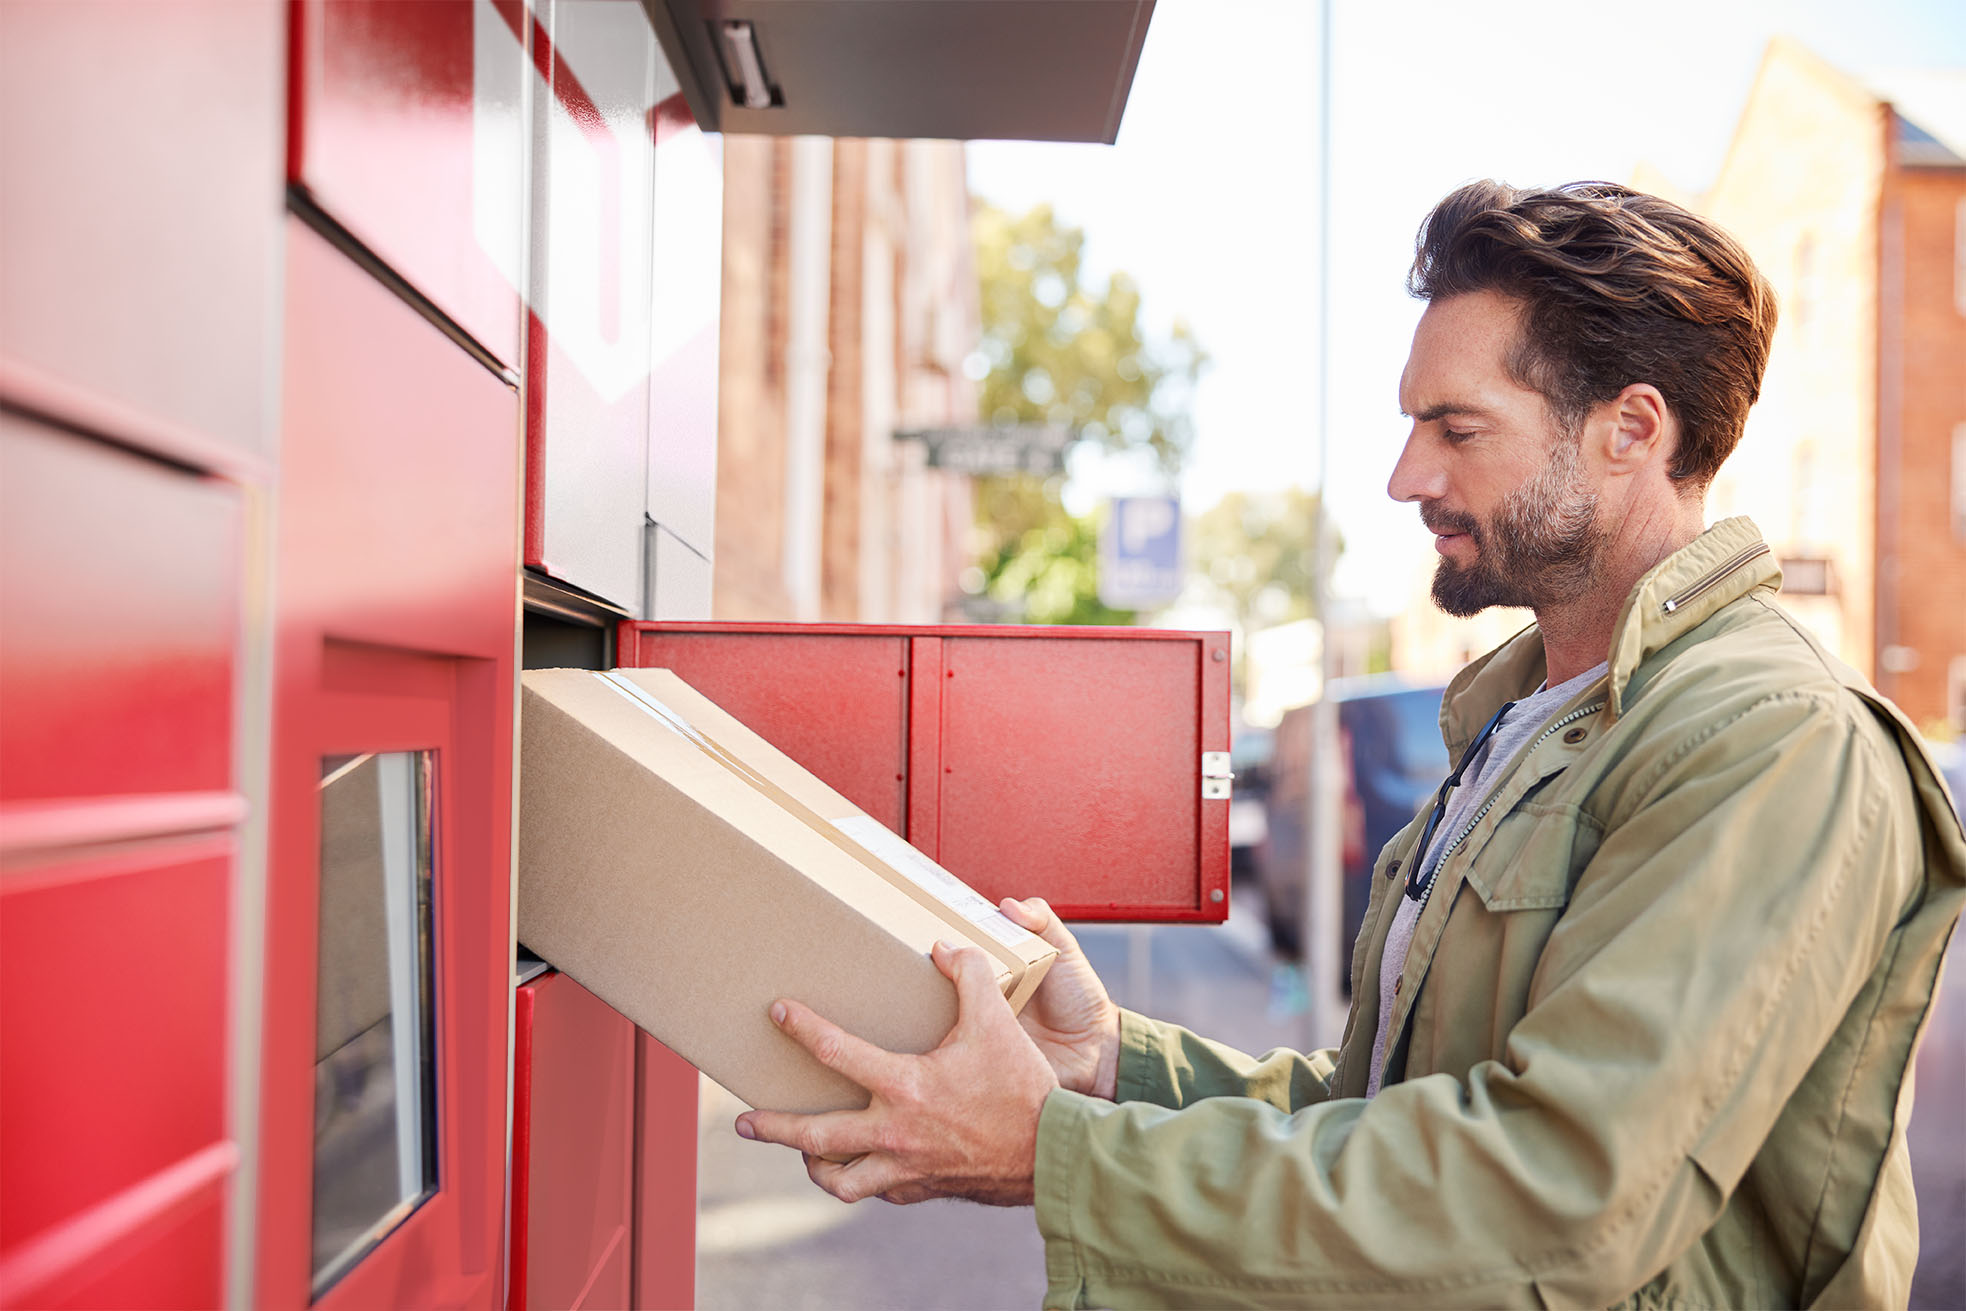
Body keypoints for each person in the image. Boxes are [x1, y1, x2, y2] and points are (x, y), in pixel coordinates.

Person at [734, 181, 1966, 1309]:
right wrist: (1114, 1064)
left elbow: (1560, 1199)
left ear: (1631, 431)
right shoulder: (1540, 716)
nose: (1402, 474)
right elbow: (1384, 1112)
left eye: (1456, 426)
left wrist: (1055, 1154)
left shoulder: (1766, 740)